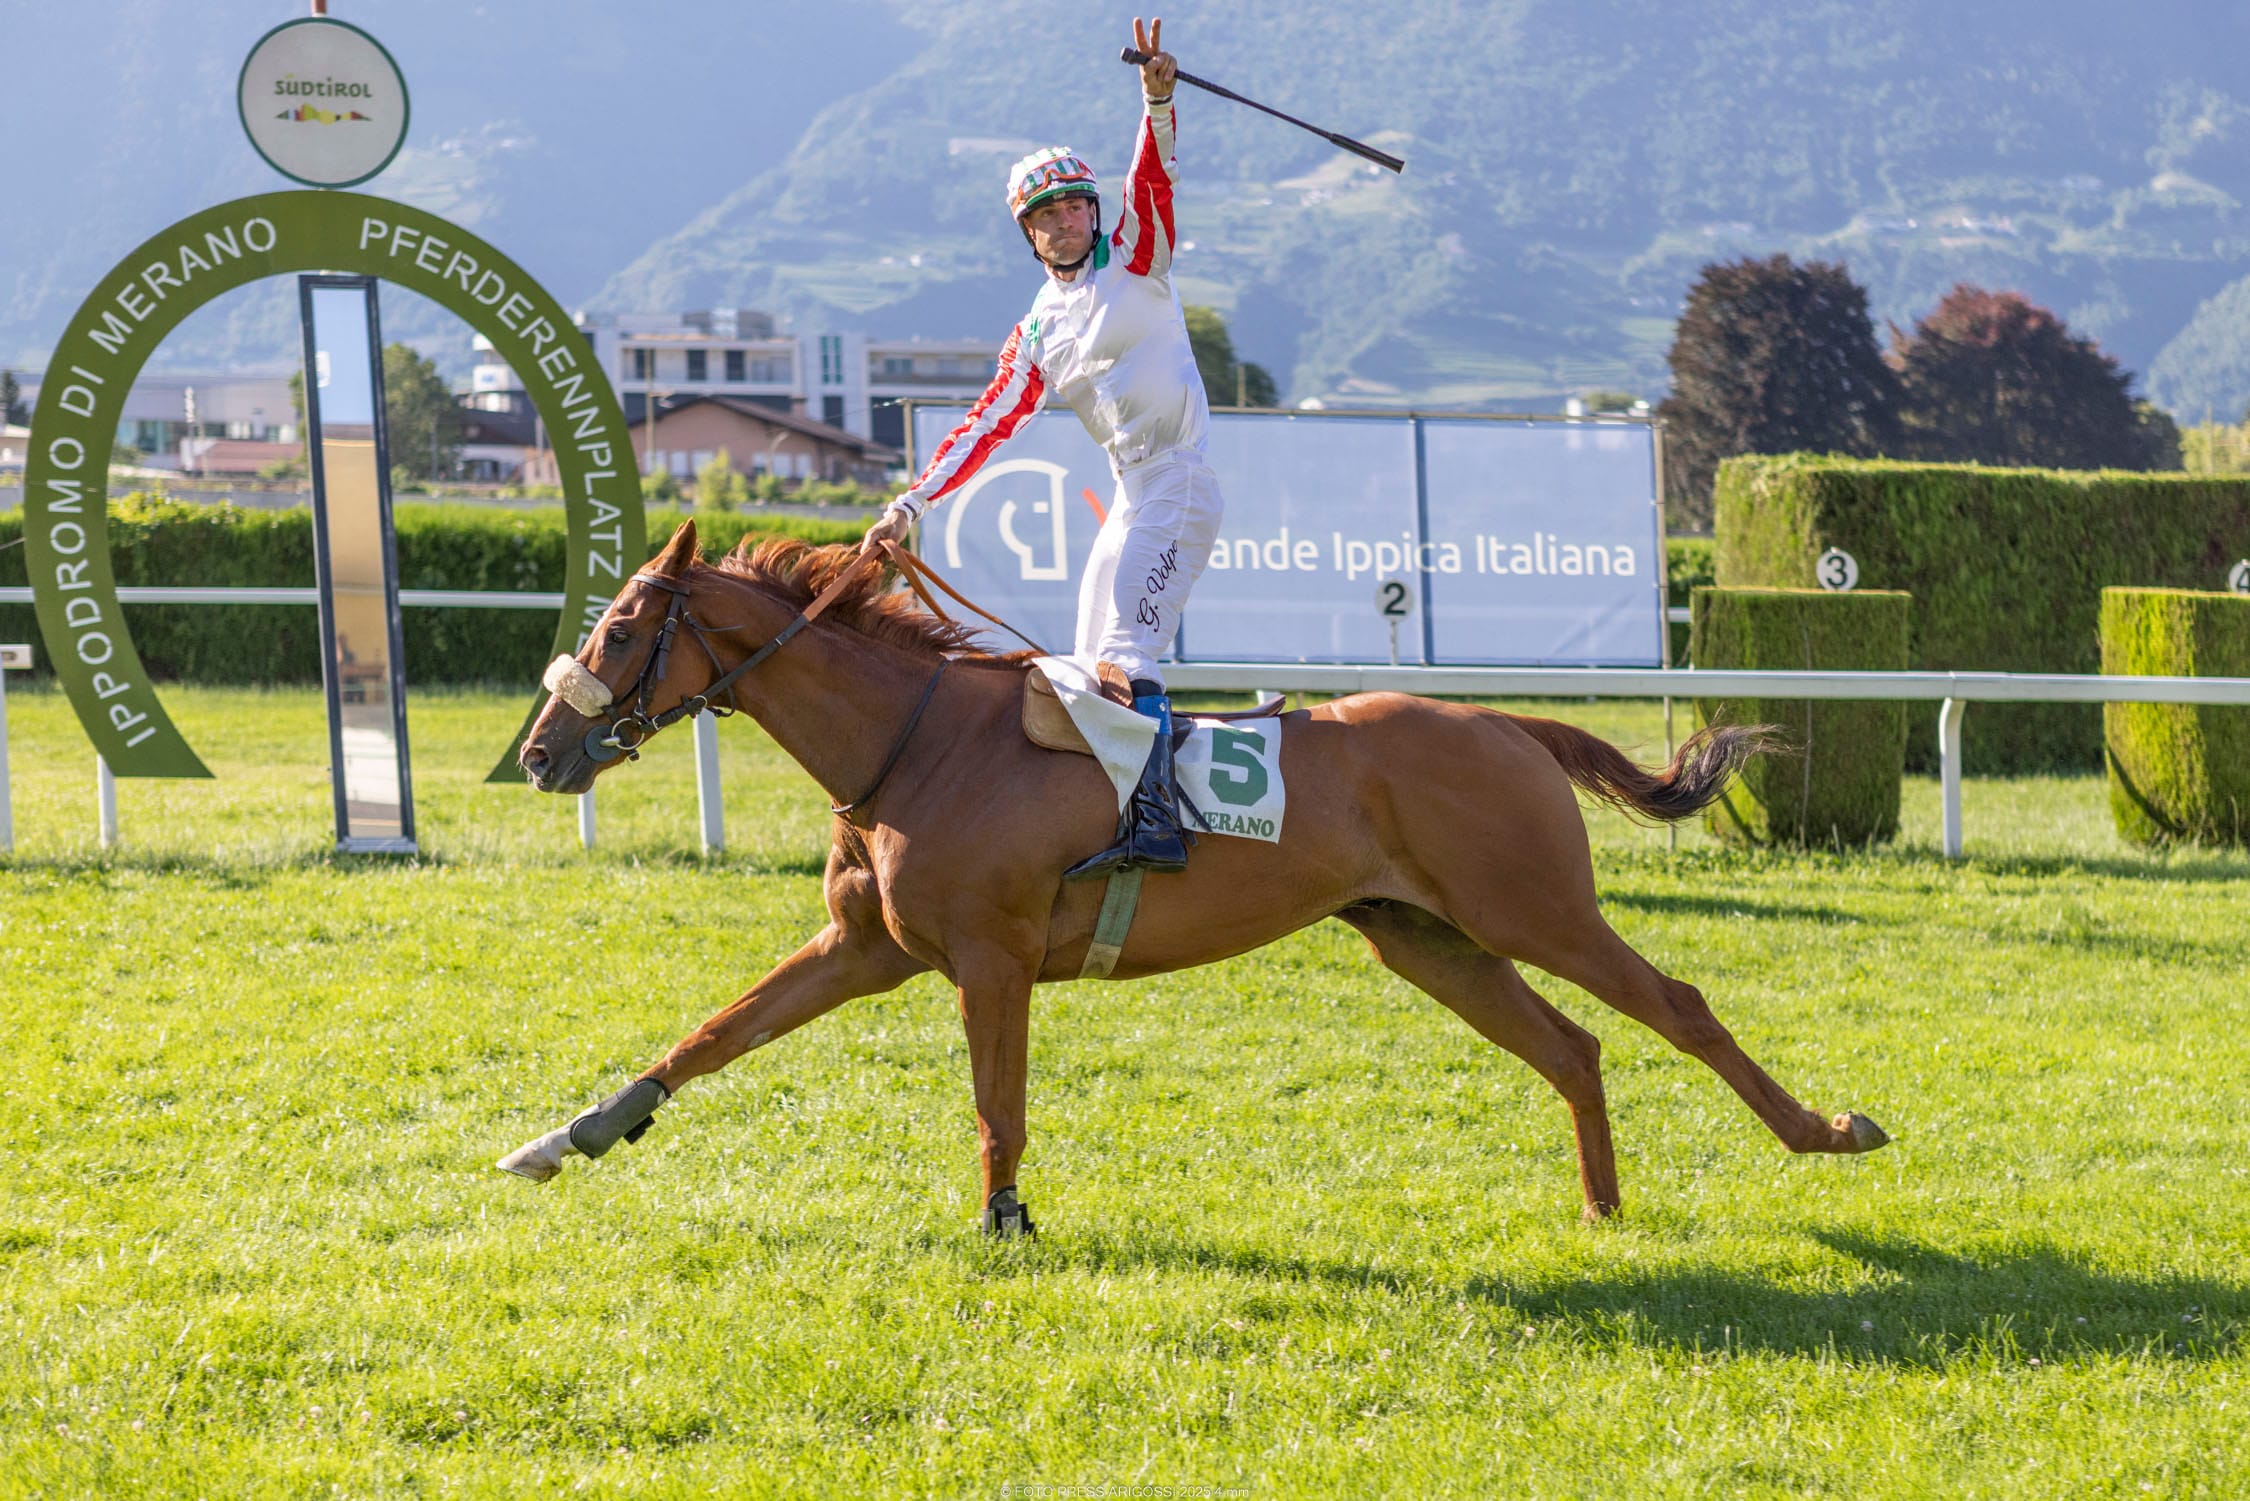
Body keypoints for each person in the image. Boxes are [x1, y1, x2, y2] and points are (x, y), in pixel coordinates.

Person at [861, 16, 1223, 880]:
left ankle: (1159, 829)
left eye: (1074, 205)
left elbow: (1155, 179)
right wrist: (910, 504)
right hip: (1132, 495)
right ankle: (1097, 813)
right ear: (1026, 232)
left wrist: (1157, 99)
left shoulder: (1136, 259)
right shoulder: (1036, 327)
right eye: (1047, 214)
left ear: (1094, 211)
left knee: (1126, 657)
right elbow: (987, 423)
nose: (1066, 221)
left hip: (1178, 485)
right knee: (1085, 669)